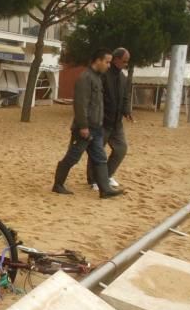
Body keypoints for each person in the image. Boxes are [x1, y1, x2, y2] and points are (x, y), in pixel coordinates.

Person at [52, 48, 124, 199]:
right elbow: (80, 104)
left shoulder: (97, 77)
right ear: (98, 60)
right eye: (107, 62)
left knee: (100, 158)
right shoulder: (85, 78)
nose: (109, 65)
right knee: (72, 158)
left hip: (96, 128)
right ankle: (58, 185)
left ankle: (105, 189)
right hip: (84, 129)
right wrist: (83, 126)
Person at [87, 47, 135, 190]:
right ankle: (93, 180)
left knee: (121, 149)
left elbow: (126, 98)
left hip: (116, 123)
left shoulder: (124, 78)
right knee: (97, 151)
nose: (126, 64)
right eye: (124, 61)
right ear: (116, 59)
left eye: (127, 62)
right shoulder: (102, 75)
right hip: (101, 121)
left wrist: (127, 111)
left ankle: (106, 175)